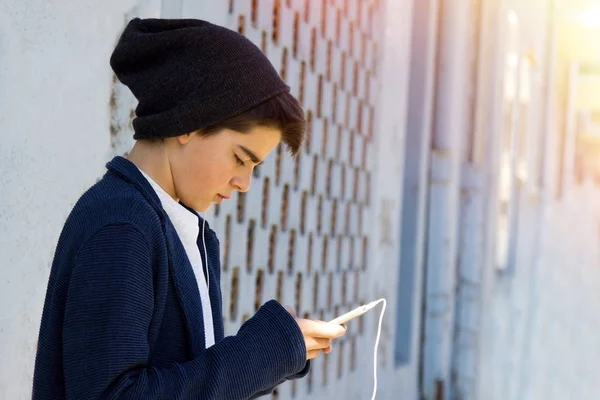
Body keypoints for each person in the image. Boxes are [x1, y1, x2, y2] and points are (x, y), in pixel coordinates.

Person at [32, 17, 346, 400]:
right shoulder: (121, 226)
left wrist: (280, 353)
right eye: (239, 158)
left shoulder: (179, 229)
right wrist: (261, 353)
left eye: (254, 168)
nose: (243, 183)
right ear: (190, 123)